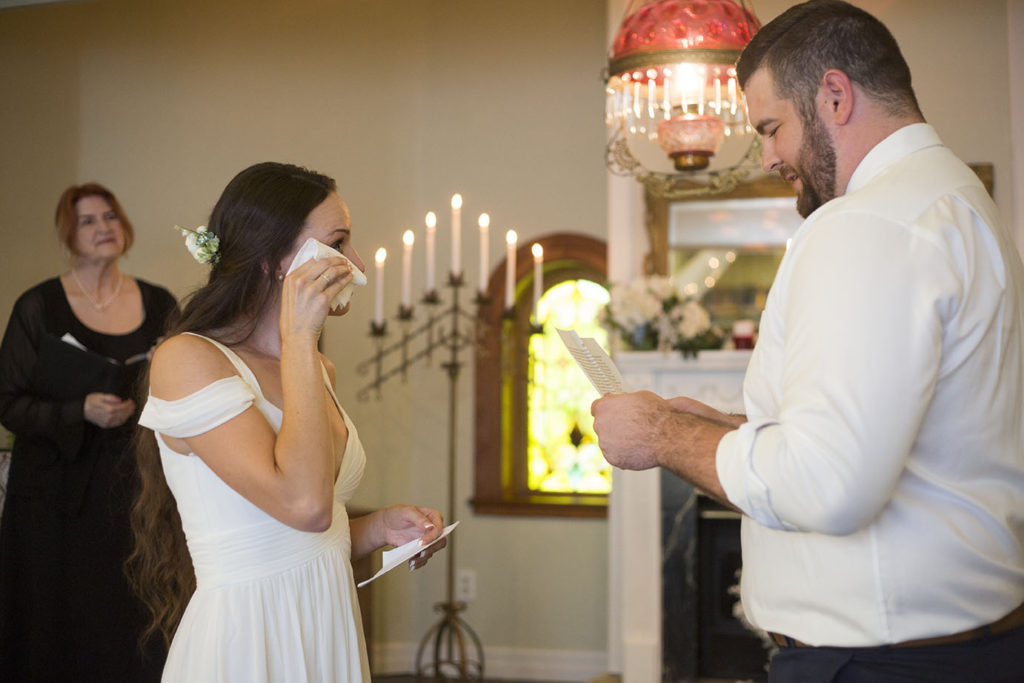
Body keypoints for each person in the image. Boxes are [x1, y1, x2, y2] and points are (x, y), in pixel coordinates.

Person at [591, 1, 1024, 681]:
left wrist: (660, 435)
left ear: (834, 94)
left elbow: (828, 483)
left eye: (772, 127)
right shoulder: (956, 201)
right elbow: (890, 433)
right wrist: (733, 428)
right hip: (959, 648)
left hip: (879, 662)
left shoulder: (868, 223)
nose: (767, 157)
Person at [128, 161, 446, 682]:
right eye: (339, 243)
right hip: (250, 641)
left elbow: (306, 536)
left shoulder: (317, 370)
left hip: (326, 628)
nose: (357, 265)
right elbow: (304, 504)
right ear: (276, 259)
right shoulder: (187, 360)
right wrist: (299, 336)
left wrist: (380, 528)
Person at [0, 182, 177, 681]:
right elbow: (7, 401)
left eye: (110, 217)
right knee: (54, 621)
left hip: (132, 492)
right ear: (69, 235)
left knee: (129, 618)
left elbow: (183, 394)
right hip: (53, 498)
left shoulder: (159, 302)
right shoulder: (37, 306)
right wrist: (80, 409)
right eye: (89, 221)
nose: (104, 228)